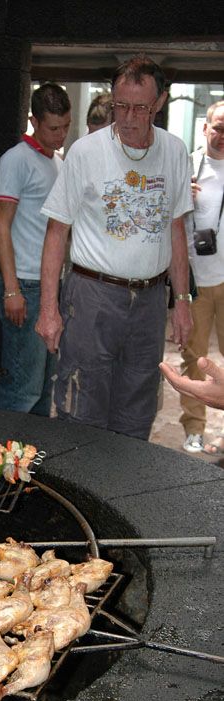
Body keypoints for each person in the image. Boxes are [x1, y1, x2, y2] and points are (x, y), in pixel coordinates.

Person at [35, 54, 193, 440]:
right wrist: (48, 309)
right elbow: (56, 233)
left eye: (140, 107)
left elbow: (175, 230)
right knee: (82, 405)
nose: (128, 117)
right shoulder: (85, 152)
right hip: (93, 297)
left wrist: (184, 301)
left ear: (159, 103)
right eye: (121, 105)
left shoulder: (174, 151)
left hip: (151, 301)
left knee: (137, 409)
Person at [0, 82, 71, 414]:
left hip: (51, 285)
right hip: (24, 283)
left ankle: (30, 461)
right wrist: (11, 289)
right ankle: (2, 462)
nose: (61, 134)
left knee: (43, 386)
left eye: (66, 126)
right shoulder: (16, 160)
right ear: (33, 121)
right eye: (54, 127)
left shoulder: (58, 161)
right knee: (21, 388)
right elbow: (0, 225)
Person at [178, 100, 224, 454]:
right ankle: (193, 428)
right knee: (193, 358)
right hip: (196, 279)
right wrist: (182, 197)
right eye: (218, 127)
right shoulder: (188, 166)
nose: (222, 135)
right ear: (205, 127)